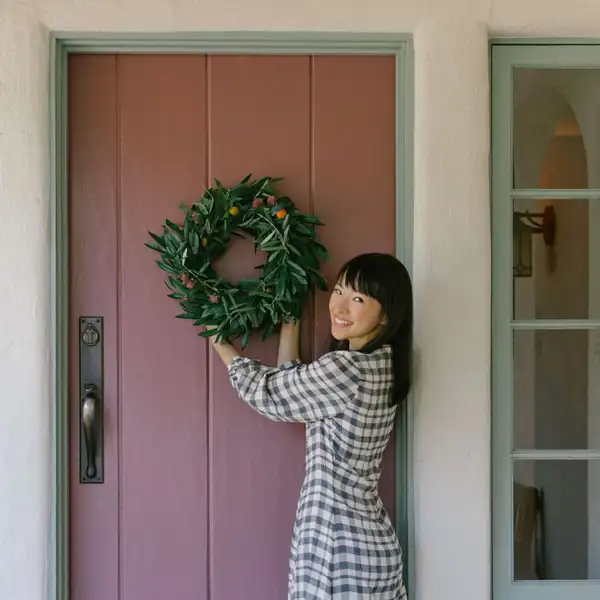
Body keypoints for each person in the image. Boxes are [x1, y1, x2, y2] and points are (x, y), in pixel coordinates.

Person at [208, 252, 412, 600]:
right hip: (369, 545)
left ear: (386, 315)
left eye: (358, 298)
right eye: (339, 291)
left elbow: (269, 394)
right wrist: (292, 321)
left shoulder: (348, 370)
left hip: (337, 549)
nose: (340, 306)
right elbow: (299, 392)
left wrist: (218, 340)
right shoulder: (383, 365)